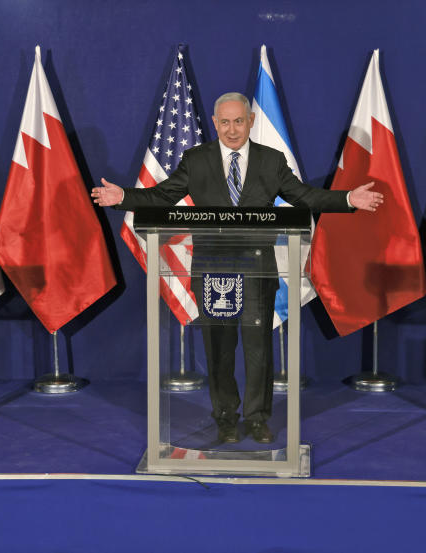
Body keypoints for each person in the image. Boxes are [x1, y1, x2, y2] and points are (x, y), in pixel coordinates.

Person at [94, 92, 383, 444]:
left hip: (256, 269)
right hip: (212, 268)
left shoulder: (271, 161)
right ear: (215, 123)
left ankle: (258, 418)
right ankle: (225, 418)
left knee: (257, 348)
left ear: (250, 121)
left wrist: (348, 199)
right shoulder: (196, 160)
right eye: (225, 122)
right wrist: (123, 197)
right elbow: (161, 196)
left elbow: (306, 197)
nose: (232, 129)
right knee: (219, 348)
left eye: (239, 121)